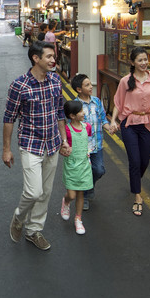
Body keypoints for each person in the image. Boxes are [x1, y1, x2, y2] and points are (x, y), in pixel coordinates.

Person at [2, 40, 70, 251]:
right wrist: (6, 149)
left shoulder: (55, 81)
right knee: (33, 192)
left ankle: (33, 230)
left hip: (52, 144)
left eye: (53, 56)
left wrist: (64, 140)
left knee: (46, 192)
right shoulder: (19, 85)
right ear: (36, 58)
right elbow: (9, 118)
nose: (53, 60)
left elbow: (60, 112)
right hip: (30, 144)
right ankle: (18, 217)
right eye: (49, 56)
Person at [109, 46, 150, 217]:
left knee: (144, 161)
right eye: (140, 60)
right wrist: (113, 121)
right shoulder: (125, 81)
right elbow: (118, 104)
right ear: (132, 62)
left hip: (148, 123)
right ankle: (138, 196)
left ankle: (135, 181)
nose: (144, 63)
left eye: (145, 59)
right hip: (130, 124)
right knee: (134, 161)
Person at [72, 73, 106, 210]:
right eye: (87, 85)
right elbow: (72, 126)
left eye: (90, 84)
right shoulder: (74, 105)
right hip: (83, 148)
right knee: (84, 173)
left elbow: (103, 119)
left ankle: (90, 187)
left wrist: (110, 126)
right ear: (79, 89)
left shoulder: (97, 101)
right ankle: (84, 196)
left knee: (99, 170)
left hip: (97, 146)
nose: (91, 86)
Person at [59, 100, 93, 235]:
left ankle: (78, 219)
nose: (83, 113)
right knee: (72, 194)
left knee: (81, 193)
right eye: (80, 111)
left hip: (85, 165)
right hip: (72, 166)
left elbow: (88, 142)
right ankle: (66, 202)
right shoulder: (66, 130)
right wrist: (63, 149)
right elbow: (62, 146)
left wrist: (89, 152)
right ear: (72, 116)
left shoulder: (87, 127)